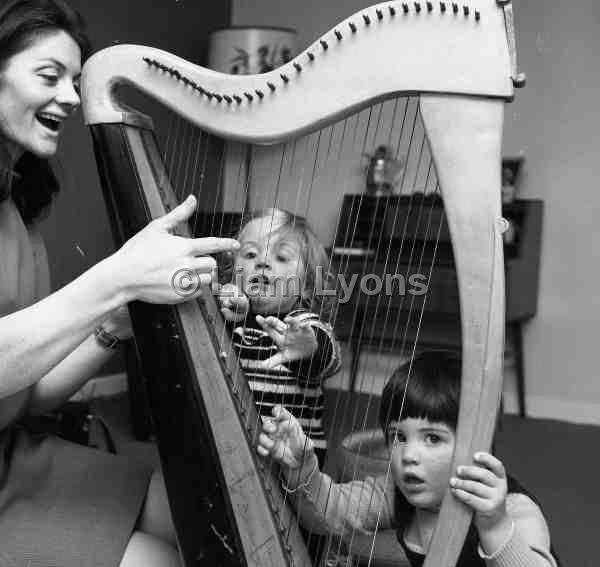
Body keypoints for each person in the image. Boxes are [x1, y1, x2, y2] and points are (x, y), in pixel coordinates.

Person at [0, 1, 238, 566]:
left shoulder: (18, 212)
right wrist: (117, 276)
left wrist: (115, 323)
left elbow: (27, 392)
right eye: (49, 75)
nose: (73, 97)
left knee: (193, 515)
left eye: (76, 81)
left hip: (12, 453)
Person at [257, 351, 558, 567]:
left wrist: (494, 528)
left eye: (433, 438)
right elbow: (327, 512)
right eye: (399, 436)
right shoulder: (394, 492)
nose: (409, 455)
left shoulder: (512, 508)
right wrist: (301, 469)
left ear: (477, 441)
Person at [217, 207, 341, 468]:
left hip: (294, 461)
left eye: (282, 257)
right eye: (250, 254)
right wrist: (223, 312)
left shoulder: (304, 326)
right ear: (233, 271)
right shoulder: (227, 319)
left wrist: (309, 348)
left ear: (306, 284)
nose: (262, 262)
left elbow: (327, 355)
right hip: (235, 448)